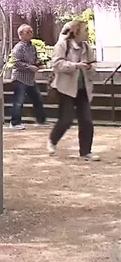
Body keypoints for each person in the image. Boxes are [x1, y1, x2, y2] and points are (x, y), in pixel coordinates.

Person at [48, 20, 99, 161]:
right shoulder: (63, 45)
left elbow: (94, 64)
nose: (87, 33)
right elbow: (57, 64)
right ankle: (52, 140)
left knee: (87, 121)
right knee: (66, 120)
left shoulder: (87, 48)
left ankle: (85, 152)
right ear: (76, 32)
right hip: (66, 88)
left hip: (83, 89)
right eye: (85, 30)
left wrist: (89, 67)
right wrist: (76, 65)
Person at [9, 24, 47, 129]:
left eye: (31, 31)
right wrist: (30, 67)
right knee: (18, 101)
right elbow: (16, 63)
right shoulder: (18, 47)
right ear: (21, 34)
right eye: (28, 32)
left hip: (30, 78)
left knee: (37, 98)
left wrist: (39, 64)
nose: (31, 34)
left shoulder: (32, 46)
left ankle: (41, 121)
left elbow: (34, 60)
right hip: (20, 78)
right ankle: (15, 122)